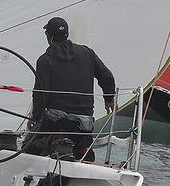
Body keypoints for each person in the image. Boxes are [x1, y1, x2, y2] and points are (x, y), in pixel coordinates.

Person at [30, 17, 116, 160]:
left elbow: (40, 93)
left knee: (29, 147)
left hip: (56, 122)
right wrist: (109, 99)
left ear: (49, 37)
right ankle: (80, 150)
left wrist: (36, 117)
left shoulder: (45, 60)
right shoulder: (87, 53)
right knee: (80, 140)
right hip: (84, 123)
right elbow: (107, 76)